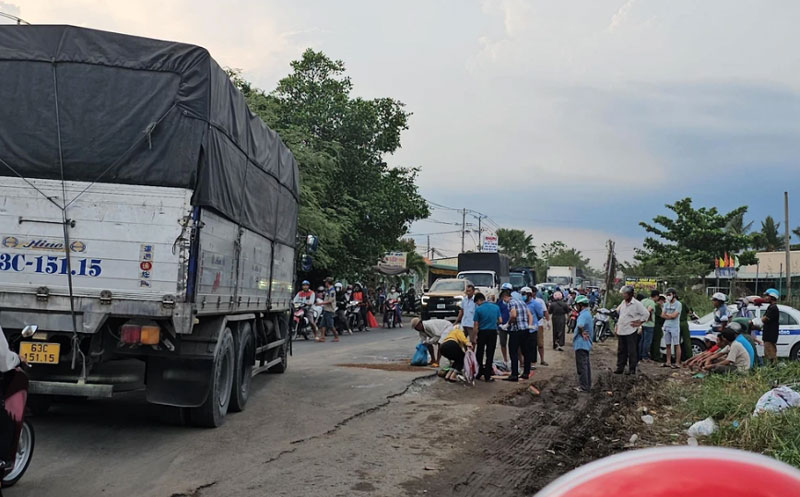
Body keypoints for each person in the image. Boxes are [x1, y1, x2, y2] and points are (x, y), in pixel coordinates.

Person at [614, 285, 649, 375]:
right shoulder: (623, 303)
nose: (623, 295)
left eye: (625, 294)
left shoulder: (637, 304)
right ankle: (620, 367)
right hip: (622, 329)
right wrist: (617, 326)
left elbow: (646, 314)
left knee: (632, 350)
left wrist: (640, 322)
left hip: (631, 330)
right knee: (621, 350)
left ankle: (632, 368)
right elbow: (620, 314)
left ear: (630, 294)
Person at [502, 289, 533, 382]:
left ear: (505, 297)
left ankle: (514, 374)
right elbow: (528, 315)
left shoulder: (511, 303)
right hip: (525, 329)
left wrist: (507, 324)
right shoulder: (522, 302)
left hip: (516, 330)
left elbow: (513, 315)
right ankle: (526, 373)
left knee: (513, 351)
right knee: (526, 351)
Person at [472, 292, 501, 382]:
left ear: (479, 300)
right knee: (490, 353)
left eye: (476, 303)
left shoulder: (478, 310)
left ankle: (479, 372)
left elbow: (476, 325)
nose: (477, 305)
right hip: (492, 332)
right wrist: (493, 323)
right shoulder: (496, 307)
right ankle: (487, 376)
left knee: (479, 353)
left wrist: (474, 336)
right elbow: (500, 321)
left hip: (482, 332)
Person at [573, 295, 593, 392]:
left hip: (581, 344)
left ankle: (584, 386)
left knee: (582, 366)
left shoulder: (583, 315)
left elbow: (580, 325)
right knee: (586, 365)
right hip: (585, 344)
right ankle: (587, 385)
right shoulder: (587, 314)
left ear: (581, 305)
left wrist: (581, 332)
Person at [660, 288, 682, 368]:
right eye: (667, 295)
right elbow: (662, 315)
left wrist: (667, 315)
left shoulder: (678, 304)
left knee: (676, 344)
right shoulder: (666, 304)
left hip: (675, 326)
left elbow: (674, 316)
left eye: (669, 295)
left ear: (674, 295)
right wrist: (669, 316)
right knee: (667, 345)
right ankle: (668, 361)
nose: (668, 296)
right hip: (666, 326)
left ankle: (677, 362)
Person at [759, 288, 780, 365]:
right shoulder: (770, 307)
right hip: (768, 335)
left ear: (772, 296)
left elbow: (764, 319)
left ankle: (773, 368)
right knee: (767, 353)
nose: (765, 297)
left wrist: (755, 322)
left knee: (770, 355)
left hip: (770, 336)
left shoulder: (773, 308)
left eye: (767, 296)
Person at [317, 277, 339, 342]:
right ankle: (322, 337)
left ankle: (336, 337)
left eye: (326, 282)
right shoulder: (327, 290)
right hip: (326, 309)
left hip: (329, 309)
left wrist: (321, 303)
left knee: (330, 325)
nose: (325, 283)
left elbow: (330, 301)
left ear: (327, 283)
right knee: (322, 324)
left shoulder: (332, 290)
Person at [639, 290, 658, 362]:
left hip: (642, 324)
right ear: (656, 296)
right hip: (649, 324)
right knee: (647, 341)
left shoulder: (643, 301)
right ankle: (645, 356)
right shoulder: (652, 303)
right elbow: (648, 310)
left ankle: (640, 355)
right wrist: (646, 318)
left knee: (642, 340)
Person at [533, 287, 550, 362]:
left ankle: (542, 359)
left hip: (539, 325)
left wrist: (548, 321)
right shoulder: (525, 302)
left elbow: (545, 311)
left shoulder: (540, 301)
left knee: (540, 344)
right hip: (530, 325)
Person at [497, 283, 512, 366]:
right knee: (503, 343)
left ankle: (519, 359)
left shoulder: (513, 302)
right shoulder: (499, 303)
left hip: (512, 325)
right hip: (502, 326)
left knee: (514, 343)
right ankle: (505, 359)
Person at [650, 294, 665, 362]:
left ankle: (653, 355)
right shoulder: (657, 306)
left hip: (656, 325)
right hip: (657, 326)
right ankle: (656, 356)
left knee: (654, 341)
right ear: (661, 301)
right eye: (663, 301)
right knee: (656, 341)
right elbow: (661, 316)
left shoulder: (656, 306)